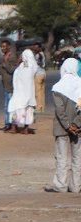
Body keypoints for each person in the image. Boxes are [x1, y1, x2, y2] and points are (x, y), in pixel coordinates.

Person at [46, 58, 81, 193]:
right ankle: (76, 186)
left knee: (61, 156)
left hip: (61, 128)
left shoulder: (58, 87)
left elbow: (60, 110)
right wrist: (75, 124)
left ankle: (61, 185)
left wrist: (67, 126)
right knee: (77, 157)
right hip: (78, 129)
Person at [9, 49, 38, 134]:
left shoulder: (24, 65)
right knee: (28, 109)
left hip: (20, 92)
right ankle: (25, 129)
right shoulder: (34, 65)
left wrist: (19, 61)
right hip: (29, 93)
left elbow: (18, 73)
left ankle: (14, 127)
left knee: (14, 107)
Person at [0, 40, 19, 131]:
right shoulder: (4, 57)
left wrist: (4, 62)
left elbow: (11, 70)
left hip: (11, 85)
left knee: (10, 106)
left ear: (9, 47)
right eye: (1, 47)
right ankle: (7, 123)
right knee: (6, 105)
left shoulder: (12, 57)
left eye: (4, 46)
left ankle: (10, 124)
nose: (2, 48)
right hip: (6, 84)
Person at [30, 40, 47, 113]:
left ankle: (39, 108)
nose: (34, 49)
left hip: (38, 75)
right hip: (43, 74)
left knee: (38, 92)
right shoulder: (42, 53)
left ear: (40, 48)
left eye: (36, 48)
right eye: (34, 48)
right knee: (42, 92)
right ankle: (42, 107)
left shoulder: (38, 55)